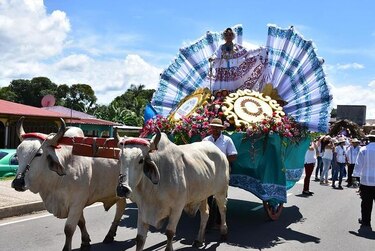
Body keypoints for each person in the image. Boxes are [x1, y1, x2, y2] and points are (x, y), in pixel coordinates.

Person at [203, 118, 237, 229]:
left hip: (222, 172)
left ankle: (219, 221)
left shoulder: (227, 140)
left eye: (217, 128)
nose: (214, 129)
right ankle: (207, 221)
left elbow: (233, 156)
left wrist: (221, 161)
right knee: (206, 197)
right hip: (208, 172)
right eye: (213, 127)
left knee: (221, 198)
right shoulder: (205, 141)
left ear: (221, 129)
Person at [353, 134, 375, 230]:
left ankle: (366, 221)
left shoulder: (364, 149)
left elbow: (358, 165)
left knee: (366, 202)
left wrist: (355, 177)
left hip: (366, 180)